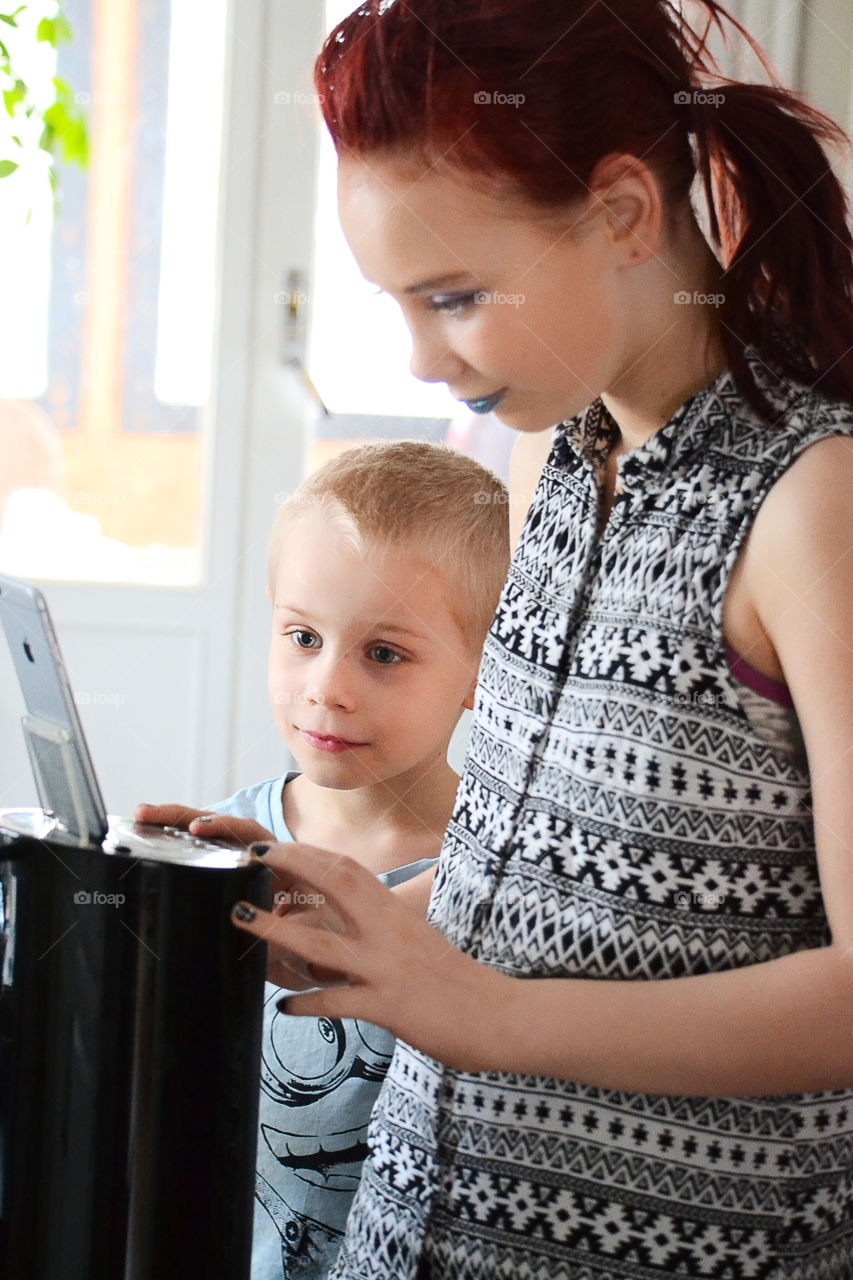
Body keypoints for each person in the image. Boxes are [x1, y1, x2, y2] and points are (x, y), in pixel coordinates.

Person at [231, 2, 853, 1276]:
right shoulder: (554, 458)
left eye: (452, 295)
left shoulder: (810, 504)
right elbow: (563, 882)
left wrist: (488, 1016)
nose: (417, 356)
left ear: (626, 214)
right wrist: (358, 910)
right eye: (397, 302)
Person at [136, 440, 510, 1279]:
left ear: (481, 672)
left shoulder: (491, 876)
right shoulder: (221, 843)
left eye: (383, 653)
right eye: (302, 636)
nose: (326, 687)